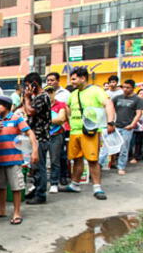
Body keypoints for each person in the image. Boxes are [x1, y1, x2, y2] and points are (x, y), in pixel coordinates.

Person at [61, 68, 116, 200]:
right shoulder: (73, 94)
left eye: (74, 79)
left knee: (92, 160)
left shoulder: (96, 91)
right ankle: (74, 184)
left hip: (90, 131)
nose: (71, 82)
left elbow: (108, 104)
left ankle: (97, 187)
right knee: (76, 159)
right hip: (74, 131)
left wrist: (110, 122)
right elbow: (67, 108)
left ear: (83, 78)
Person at [0, 96, 38, 225]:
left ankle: (17, 212)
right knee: (0, 186)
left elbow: (30, 133)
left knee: (16, 187)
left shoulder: (16, 118)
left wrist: (34, 150)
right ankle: (2, 209)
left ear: (7, 106)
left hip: (14, 159)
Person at [101, 79, 142, 175]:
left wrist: (132, 125)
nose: (125, 89)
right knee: (107, 147)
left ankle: (121, 167)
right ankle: (99, 165)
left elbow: (138, 114)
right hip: (115, 126)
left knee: (124, 148)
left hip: (127, 128)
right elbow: (110, 108)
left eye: (128, 87)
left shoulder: (138, 100)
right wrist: (110, 123)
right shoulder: (117, 98)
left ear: (133, 88)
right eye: (124, 87)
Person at [23, 72, 51, 205]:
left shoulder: (42, 97)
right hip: (34, 137)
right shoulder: (37, 97)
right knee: (34, 167)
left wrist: (27, 98)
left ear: (34, 84)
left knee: (39, 167)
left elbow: (30, 111)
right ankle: (36, 189)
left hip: (40, 137)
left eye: (28, 86)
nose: (26, 89)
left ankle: (41, 194)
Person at [44, 85, 69, 193]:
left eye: (51, 92)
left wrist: (44, 119)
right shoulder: (41, 104)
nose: (49, 94)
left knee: (55, 159)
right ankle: (40, 183)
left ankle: (54, 183)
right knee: (40, 161)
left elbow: (61, 119)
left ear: (54, 93)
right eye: (47, 92)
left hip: (56, 135)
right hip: (43, 135)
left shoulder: (61, 104)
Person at [131, 88, 143, 164]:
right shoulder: (136, 102)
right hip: (138, 124)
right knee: (137, 141)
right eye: (140, 93)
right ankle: (136, 157)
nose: (142, 94)